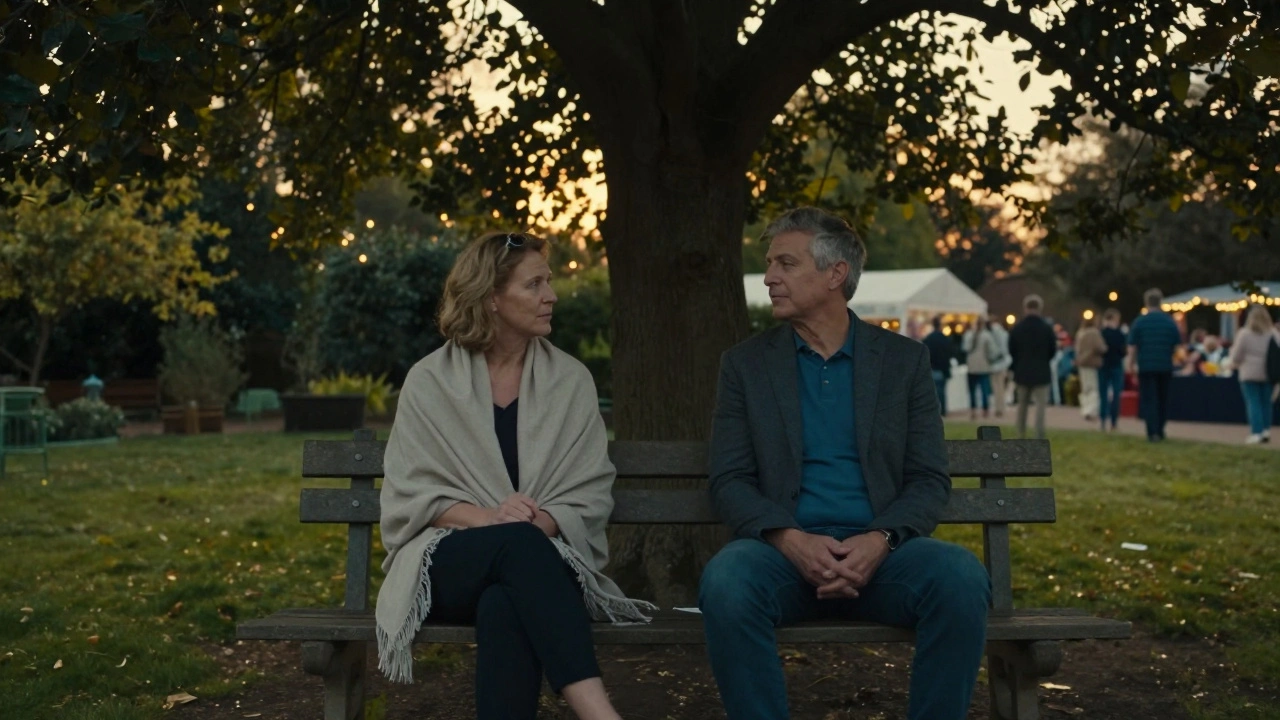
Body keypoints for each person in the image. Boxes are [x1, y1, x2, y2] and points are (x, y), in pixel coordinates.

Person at [698, 207, 990, 720]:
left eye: (786, 264)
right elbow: (730, 479)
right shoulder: (745, 365)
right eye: (770, 264)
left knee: (961, 577)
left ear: (835, 274)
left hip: (884, 558)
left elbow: (928, 478)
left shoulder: (903, 361)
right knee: (726, 581)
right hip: (782, 559)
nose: (769, 278)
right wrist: (791, 540)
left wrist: (879, 541)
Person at [375, 232, 654, 720]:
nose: (552, 295)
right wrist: (489, 519)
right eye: (534, 285)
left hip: (543, 558)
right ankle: (598, 713)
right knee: (517, 546)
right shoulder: (429, 381)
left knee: (505, 602)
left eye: (549, 281)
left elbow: (589, 488)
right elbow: (410, 492)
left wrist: (538, 522)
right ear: (491, 298)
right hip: (450, 557)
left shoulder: (571, 380)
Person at [1127, 288, 1183, 441]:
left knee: (1149, 399)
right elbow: (1178, 346)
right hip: (1165, 365)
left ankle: (1152, 432)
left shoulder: (1140, 322)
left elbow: (1132, 347)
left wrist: (1131, 365)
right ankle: (1160, 428)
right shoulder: (1169, 322)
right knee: (1163, 398)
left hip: (1146, 366)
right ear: (1160, 302)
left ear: (1146, 302)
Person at [1227, 305, 1280, 444]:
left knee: (1253, 403)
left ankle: (1256, 432)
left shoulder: (1244, 333)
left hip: (1249, 372)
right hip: (1269, 372)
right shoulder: (1273, 333)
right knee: (1266, 403)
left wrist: (1234, 363)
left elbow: (1236, 356)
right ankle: (1266, 430)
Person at [1008, 294, 1057, 439]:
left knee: (1022, 405)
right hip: (1041, 370)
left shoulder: (1018, 328)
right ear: (1040, 308)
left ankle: (1020, 433)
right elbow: (1052, 350)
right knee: (1040, 406)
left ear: (1025, 308)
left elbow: (1011, 349)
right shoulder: (1046, 328)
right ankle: (1039, 434)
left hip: (1022, 370)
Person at [961, 316, 997, 420]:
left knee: (972, 391)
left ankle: (973, 410)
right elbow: (992, 351)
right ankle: (985, 410)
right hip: (983, 366)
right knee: (984, 390)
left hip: (971, 367)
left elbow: (964, 348)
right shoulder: (987, 336)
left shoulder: (968, 335)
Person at [1098, 308, 1127, 432]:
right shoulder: (1120, 334)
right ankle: (1114, 422)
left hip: (1103, 365)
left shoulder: (1101, 333)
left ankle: (1103, 421)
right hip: (1116, 365)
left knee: (1103, 394)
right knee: (1116, 394)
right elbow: (1123, 351)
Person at [1075, 316, 1105, 421]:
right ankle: (1091, 411)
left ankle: (1085, 408)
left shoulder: (1080, 333)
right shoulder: (1094, 333)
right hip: (1091, 363)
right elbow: (1101, 347)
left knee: (1085, 388)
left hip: (1081, 363)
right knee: (1093, 388)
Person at [921, 316, 953, 416]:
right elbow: (950, 352)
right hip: (943, 368)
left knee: (934, 392)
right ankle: (942, 410)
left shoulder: (929, 339)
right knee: (941, 391)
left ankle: (937, 411)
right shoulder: (945, 338)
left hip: (933, 367)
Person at [987, 317, 1012, 417]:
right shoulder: (1004, 334)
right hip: (1002, 363)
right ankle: (1001, 407)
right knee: (1001, 387)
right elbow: (1006, 349)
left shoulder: (989, 333)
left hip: (992, 364)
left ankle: (998, 407)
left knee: (995, 387)